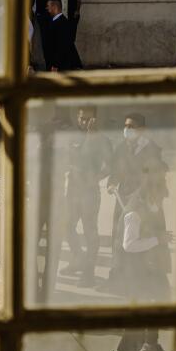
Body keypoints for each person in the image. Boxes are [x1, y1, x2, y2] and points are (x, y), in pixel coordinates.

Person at [109, 160, 170, 351]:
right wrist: (158, 240)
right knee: (139, 312)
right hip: (135, 271)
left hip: (151, 268)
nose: (163, 194)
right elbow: (129, 245)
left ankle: (147, 345)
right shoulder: (134, 211)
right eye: (161, 186)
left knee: (158, 302)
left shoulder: (152, 203)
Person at [104, 113, 163, 289]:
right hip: (121, 198)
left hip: (142, 201)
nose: (127, 130)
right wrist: (111, 183)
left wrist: (152, 201)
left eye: (132, 126)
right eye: (125, 126)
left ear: (142, 130)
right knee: (117, 237)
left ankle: (139, 281)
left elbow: (157, 178)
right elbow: (115, 172)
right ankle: (114, 280)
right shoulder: (121, 148)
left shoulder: (152, 149)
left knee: (139, 238)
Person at [60, 106, 112, 287]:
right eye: (81, 118)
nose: (84, 122)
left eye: (88, 119)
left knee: (90, 232)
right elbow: (66, 159)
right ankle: (78, 259)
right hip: (73, 190)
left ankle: (88, 273)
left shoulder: (101, 140)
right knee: (67, 227)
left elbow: (110, 164)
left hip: (89, 192)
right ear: (77, 117)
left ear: (95, 119)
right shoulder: (73, 137)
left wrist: (96, 178)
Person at [43, 0, 82, 71]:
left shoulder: (61, 24)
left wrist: (55, 65)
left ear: (54, 7)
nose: (47, 8)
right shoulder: (58, 22)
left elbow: (61, 46)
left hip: (62, 66)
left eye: (48, 6)